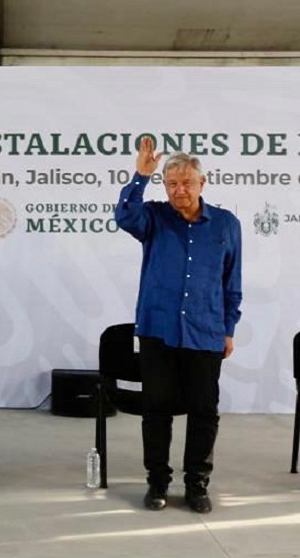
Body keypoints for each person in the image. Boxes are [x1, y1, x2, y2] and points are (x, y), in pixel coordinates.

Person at [114, 136, 242, 513]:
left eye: (186, 182)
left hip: (205, 330)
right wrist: (140, 176)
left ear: (202, 183)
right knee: (156, 409)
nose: (179, 190)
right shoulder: (153, 217)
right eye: (171, 183)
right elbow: (123, 216)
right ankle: (157, 482)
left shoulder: (225, 224)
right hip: (158, 331)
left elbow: (231, 281)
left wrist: (229, 328)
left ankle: (197, 484)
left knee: (204, 410)